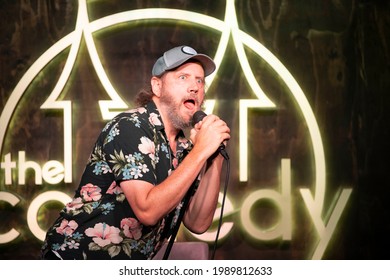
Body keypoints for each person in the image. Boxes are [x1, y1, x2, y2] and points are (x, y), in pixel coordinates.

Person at [40, 45, 231, 260]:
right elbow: (147, 211)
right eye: (183, 77)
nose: (195, 87)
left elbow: (198, 223)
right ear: (157, 86)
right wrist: (201, 151)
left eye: (200, 80)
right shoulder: (129, 126)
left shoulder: (187, 149)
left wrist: (212, 156)